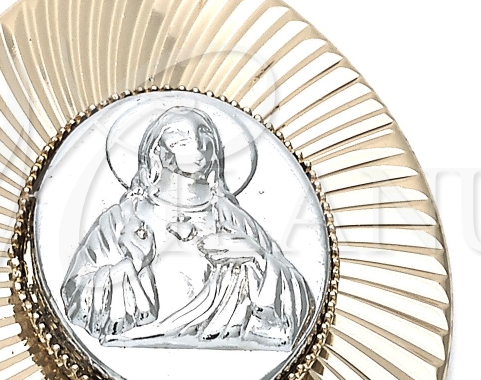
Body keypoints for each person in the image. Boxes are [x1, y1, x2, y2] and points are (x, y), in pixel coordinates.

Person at [60, 105, 312, 349]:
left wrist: (256, 258)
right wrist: (131, 266)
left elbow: (298, 299)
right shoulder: (124, 219)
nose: (199, 145)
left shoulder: (234, 220)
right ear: (156, 152)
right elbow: (76, 296)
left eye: (205, 135)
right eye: (180, 137)